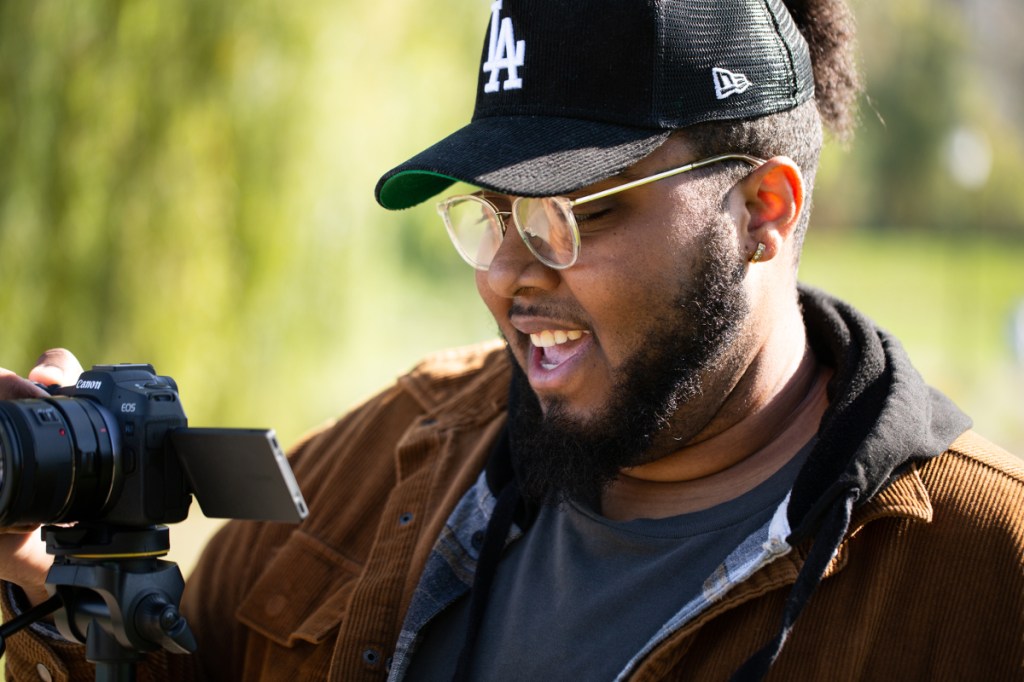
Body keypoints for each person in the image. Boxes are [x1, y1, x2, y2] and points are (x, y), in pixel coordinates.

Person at [2, 0, 1023, 680]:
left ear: (763, 209)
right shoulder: (393, 450)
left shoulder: (984, 574)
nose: (506, 273)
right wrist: (52, 583)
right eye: (488, 214)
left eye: (572, 213)